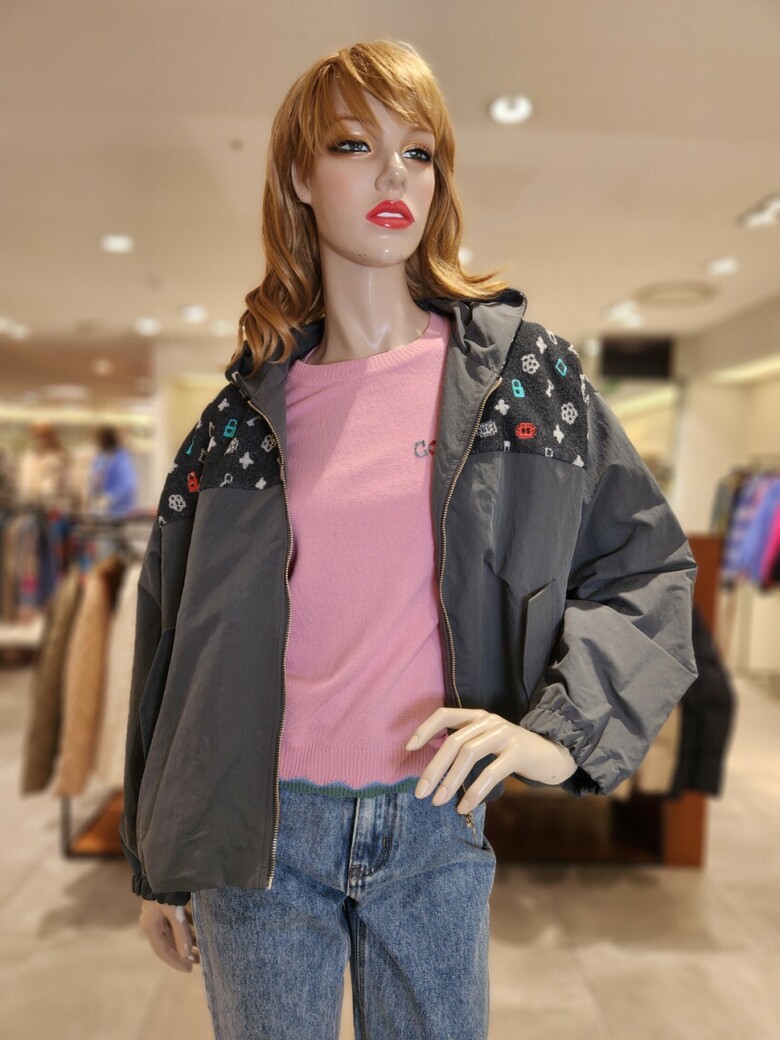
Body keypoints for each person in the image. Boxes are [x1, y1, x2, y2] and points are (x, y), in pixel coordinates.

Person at [120, 41, 697, 1039]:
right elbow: (174, 647)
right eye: (355, 145)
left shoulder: (521, 383)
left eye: (418, 152)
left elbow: (647, 566)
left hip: (434, 819)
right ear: (301, 176)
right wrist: (159, 855)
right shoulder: (238, 423)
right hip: (259, 833)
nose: (394, 174)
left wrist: (563, 731)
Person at [87, 425, 137, 515]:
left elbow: (127, 485)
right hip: (99, 511)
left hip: (118, 511)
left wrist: (110, 498)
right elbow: (92, 480)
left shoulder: (121, 459)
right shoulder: (99, 457)